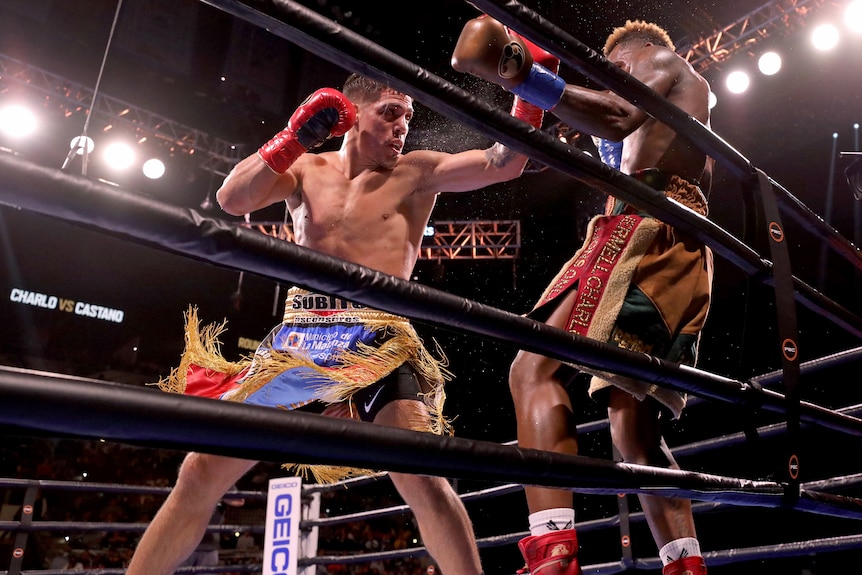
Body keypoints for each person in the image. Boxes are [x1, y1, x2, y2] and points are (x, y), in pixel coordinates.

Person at [125, 70, 544, 575]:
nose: (402, 127)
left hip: (376, 340)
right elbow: (232, 200)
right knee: (198, 472)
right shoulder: (307, 169)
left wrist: (532, 88)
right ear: (349, 113)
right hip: (299, 339)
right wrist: (293, 136)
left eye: (408, 117)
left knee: (423, 478)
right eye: (390, 113)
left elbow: (506, 162)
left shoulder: (418, 172)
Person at [452, 16, 713, 575]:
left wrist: (521, 71)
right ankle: (685, 566)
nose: (613, 81)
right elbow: (611, 135)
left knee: (532, 370)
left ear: (635, 55)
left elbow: (619, 115)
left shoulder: (660, 62)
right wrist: (533, 103)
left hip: (644, 222)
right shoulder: (677, 123)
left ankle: (553, 554)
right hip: (676, 238)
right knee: (633, 428)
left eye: (613, 70)